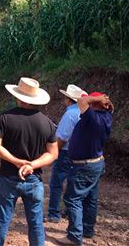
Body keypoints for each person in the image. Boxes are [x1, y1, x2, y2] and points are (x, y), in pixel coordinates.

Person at [0, 77, 59, 246]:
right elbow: (53, 153)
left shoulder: (6, 118)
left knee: (3, 220)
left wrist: (16, 161)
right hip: (34, 179)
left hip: (8, 177)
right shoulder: (47, 123)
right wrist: (31, 165)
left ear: (18, 97)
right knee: (36, 224)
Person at [58, 93, 113, 245]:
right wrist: (104, 102)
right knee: (90, 199)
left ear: (95, 104)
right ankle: (87, 230)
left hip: (84, 165)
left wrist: (98, 100)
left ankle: (74, 236)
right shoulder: (106, 116)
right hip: (95, 163)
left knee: (73, 198)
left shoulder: (93, 117)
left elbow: (82, 101)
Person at [47, 85, 88, 223]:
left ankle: (54, 214)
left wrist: (53, 152)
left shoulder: (70, 114)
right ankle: (70, 212)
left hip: (66, 153)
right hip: (81, 154)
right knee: (73, 185)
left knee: (56, 183)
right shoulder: (84, 113)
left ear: (68, 99)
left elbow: (63, 138)